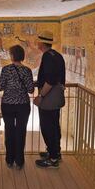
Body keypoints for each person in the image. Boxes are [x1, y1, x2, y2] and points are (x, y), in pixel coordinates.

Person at [0, 45, 34, 170]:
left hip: (7, 104)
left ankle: (9, 159)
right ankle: (19, 161)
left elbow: (0, 86)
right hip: (23, 105)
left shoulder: (6, 69)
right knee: (21, 131)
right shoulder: (27, 70)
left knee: (9, 131)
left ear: (12, 56)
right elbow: (30, 89)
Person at [33, 31, 66, 169]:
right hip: (56, 96)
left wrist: (41, 96)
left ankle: (52, 159)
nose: (37, 43)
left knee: (48, 127)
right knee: (54, 125)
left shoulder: (48, 57)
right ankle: (55, 153)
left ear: (41, 43)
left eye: (38, 41)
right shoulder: (56, 55)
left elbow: (50, 80)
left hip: (49, 97)